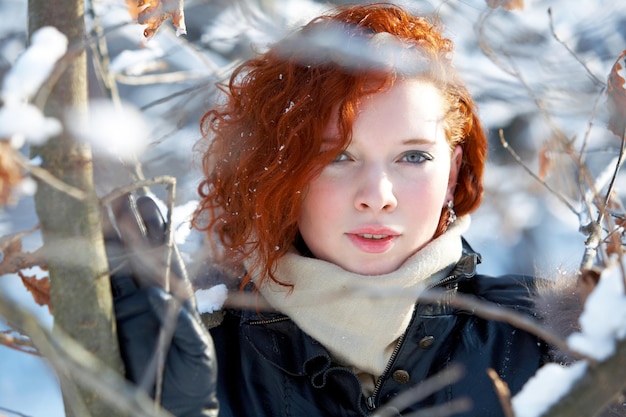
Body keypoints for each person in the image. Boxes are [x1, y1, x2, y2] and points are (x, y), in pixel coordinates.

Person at [111, 3, 548, 417]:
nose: (378, 195)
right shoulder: (194, 349)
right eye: (338, 157)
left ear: (452, 174)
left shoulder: (551, 342)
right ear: (280, 171)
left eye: (413, 157)